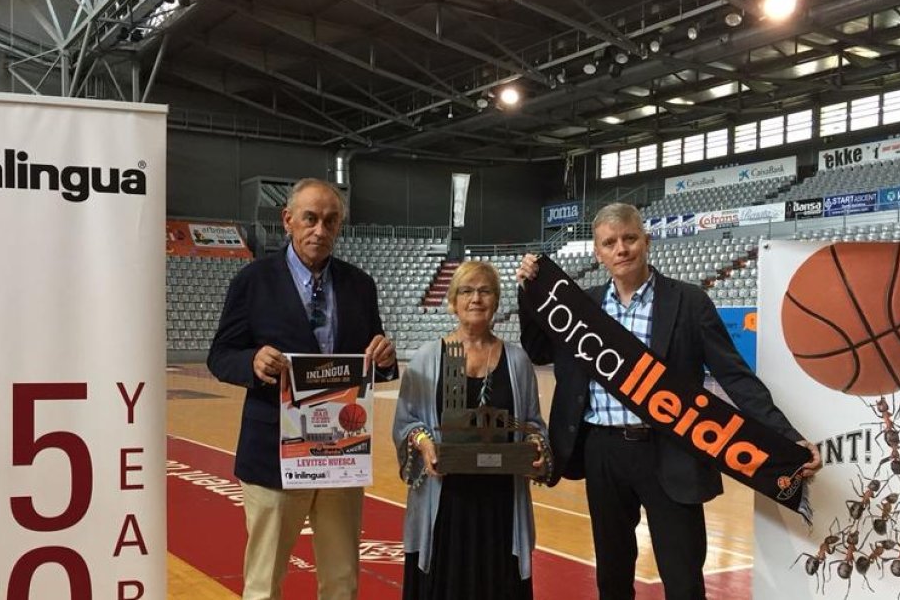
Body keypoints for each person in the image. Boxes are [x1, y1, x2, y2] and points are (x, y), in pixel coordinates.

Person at [515, 203, 822, 600]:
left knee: (683, 580)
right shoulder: (582, 309)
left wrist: (785, 435)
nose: (621, 248)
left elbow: (735, 377)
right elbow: (538, 352)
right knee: (611, 575)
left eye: (629, 238)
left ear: (646, 240)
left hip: (673, 448)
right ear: (598, 253)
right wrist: (528, 293)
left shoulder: (690, 302)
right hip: (602, 452)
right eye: (610, 243)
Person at [208, 177, 397, 600]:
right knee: (263, 585)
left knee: (341, 581)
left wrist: (384, 358)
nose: (320, 230)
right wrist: (252, 363)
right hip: (273, 455)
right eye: (310, 218)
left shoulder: (359, 285)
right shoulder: (252, 280)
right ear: (288, 220)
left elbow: (373, 358)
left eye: (331, 221)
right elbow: (221, 354)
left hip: (340, 457)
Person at [393, 260, 551, 600]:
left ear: (496, 300)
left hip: (501, 505)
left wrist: (537, 447)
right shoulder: (427, 357)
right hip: (445, 502)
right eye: (467, 290)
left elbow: (534, 425)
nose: (476, 298)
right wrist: (423, 443)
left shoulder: (518, 361)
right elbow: (407, 423)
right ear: (453, 301)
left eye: (485, 291)